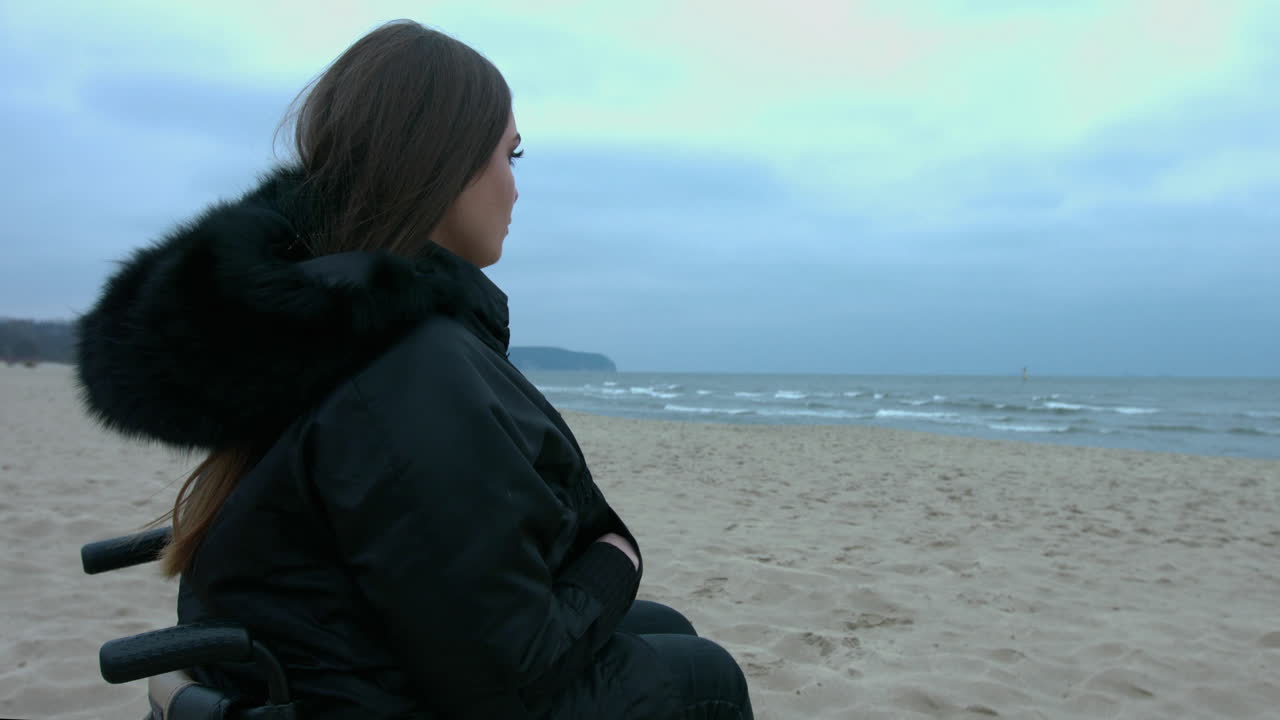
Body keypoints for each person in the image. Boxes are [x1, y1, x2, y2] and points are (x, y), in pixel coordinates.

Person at [75, 19, 753, 720]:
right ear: (446, 162)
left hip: (323, 665)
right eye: (510, 157)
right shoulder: (405, 366)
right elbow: (510, 672)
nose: (516, 190)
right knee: (706, 677)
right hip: (366, 696)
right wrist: (616, 557)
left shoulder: (314, 327)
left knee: (661, 627)